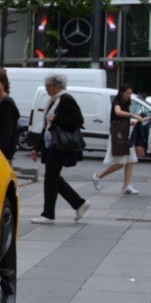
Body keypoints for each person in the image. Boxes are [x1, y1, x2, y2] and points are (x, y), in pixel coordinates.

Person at [30, 73, 89, 224]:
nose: (46, 89)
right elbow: (47, 126)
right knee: (53, 178)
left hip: (60, 146)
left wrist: (58, 120)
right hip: (51, 145)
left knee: (51, 178)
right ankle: (79, 204)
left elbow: (77, 120)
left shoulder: (66, 99)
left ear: (58, 86)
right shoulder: (53, 101)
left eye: (48, 86)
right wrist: (37, 147)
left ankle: (48, 214)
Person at [91, 84, 149, 196]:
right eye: (127, 93)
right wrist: (133, 115)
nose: (129, 95)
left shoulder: (126, 104)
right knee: (120, 163)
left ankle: (126, 186)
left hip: (125, 134)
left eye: (130, 93)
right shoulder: (117, 102)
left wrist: (138, 121)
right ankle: (98, 177)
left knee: (131, 161)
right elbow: (118, 112)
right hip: (118, 136)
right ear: (121, 92)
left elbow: (124, 120)